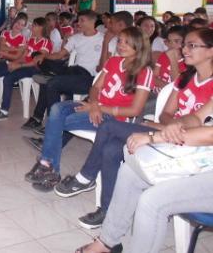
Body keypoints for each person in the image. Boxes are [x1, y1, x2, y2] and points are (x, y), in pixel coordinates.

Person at [55, 28, 211, 230]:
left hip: (191, 145)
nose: (184, 49)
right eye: (185, 45)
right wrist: (165, 125)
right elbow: (167, 113)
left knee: (109, 126)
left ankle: (86, 176)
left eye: (192, 45)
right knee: (111, 148)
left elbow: (200, 126)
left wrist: (165, 128)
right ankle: (106, 209)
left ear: (210, 51)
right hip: (166, 133)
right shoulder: (184, 78)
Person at [74, 98, 213, 253]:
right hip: (205, 160)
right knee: (130, 173)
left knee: (152, 201)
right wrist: (178, 124)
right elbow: (197, 117)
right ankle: (107, 243)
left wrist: (153, 137)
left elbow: (210, 134)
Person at [25, 26, 154, 192]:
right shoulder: (113, 61)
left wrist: (99, 108)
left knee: (61, 121)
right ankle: (48, 167)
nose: (121, 45)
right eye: (120, 41)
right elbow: (95, 88)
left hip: (114, 119)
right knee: (57, 109)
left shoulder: (145, 71)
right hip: (94, 107)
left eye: (127, 42)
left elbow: (135, 111)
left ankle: (48, 167)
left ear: (139, 46)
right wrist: (94, 105)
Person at [21, 11, 104, 132]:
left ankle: (46, 122)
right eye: (78, 20)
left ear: (92, 21)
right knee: (38, 56)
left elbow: (106, 65)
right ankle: (50, 75)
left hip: (87, 76)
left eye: (82, 20)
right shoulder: (76, 38)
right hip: (72, 70)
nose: (78, 23)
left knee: (50, 83)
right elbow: (59, 55)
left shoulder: (103, 39)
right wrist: (44, 56)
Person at [0, 17, 53, 121]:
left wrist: (19, 66)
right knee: (3, 74)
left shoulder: (46, 43)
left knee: (8, 78)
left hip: (36, 69)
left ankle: (3, 110)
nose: (31, 28)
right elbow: (24, 57)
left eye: (34, 25)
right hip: (26, 65)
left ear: (41, 28)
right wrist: (14, 63)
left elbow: (36, 62)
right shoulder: (32, 40)